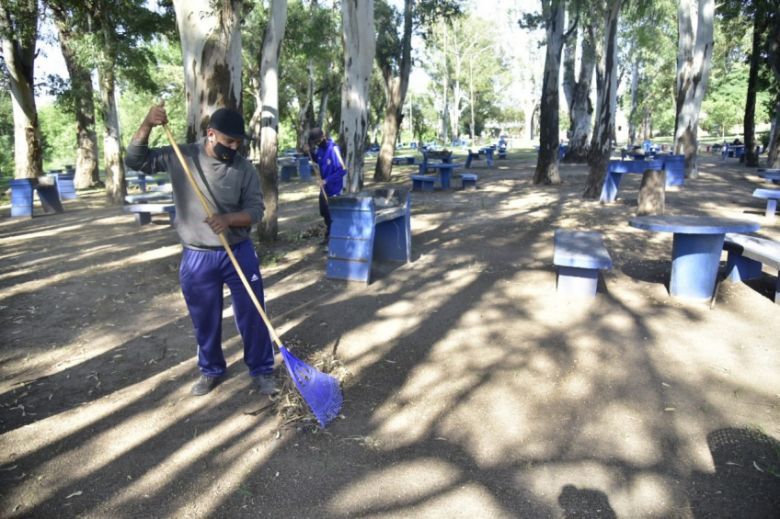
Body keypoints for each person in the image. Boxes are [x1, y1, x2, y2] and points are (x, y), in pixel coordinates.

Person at [125, 104, 277, 397]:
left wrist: (228, 220)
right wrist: (146, 124)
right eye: (228, 141)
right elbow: (135, 159)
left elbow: (256, 210)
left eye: (238, 143)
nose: (234, 148)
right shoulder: (182, 156)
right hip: (197, 255)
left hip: (237, 250)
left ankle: (261, 370)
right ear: (210, 134)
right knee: (204, 318)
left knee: (253, 313)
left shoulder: (243, 169)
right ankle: (211, 370)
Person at [306, 127, 346, 244]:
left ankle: (333, 237)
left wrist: (326, 180)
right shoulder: (320, 150)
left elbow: (342, 170)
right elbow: (316, 159)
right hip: (325, 188)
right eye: (314, 143)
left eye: (317, 141)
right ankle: (330, 232)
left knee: (332, 212)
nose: (317, 144)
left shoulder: (334, 149)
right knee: (323, 211)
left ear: (323, 137)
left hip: (334, 187)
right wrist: (309, 152)